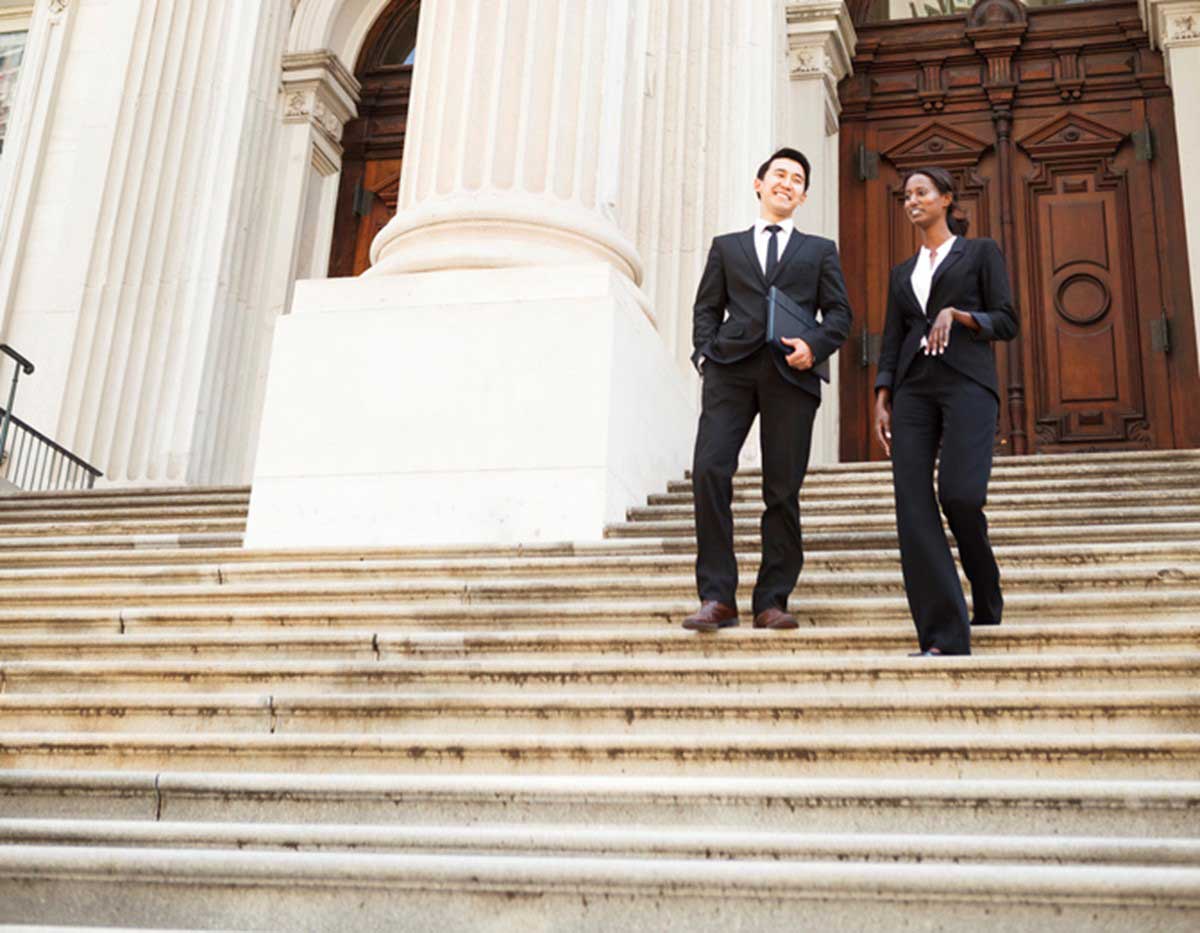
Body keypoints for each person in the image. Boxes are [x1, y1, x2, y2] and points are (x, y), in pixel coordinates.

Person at [683, 147, 852, 633]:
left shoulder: (820, 251)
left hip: (791, 376)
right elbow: (706, 308)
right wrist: (704, 354)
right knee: (710, 471)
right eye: (779, 174)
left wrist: (814, 346)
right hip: (729, 372)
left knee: (782, 489)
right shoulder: (727, 246)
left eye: (797, 178)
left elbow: (840, 315)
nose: (787, 182)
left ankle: (771, 599)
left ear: (803, 196)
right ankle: (717, 596)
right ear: (758, 184)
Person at [873, 167, 1019, 656]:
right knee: (913, 508)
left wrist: (958, 315)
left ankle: (985, 583)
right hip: (914, 390)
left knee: (959, 494)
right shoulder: (901, 273)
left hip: (968, 384)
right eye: (906, 195)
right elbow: (893, 337)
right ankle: (943, 635)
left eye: (921, 193)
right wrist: (882, 393)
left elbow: (1007, 320)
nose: (911, 201)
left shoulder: (980, 253)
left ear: (946, 199)